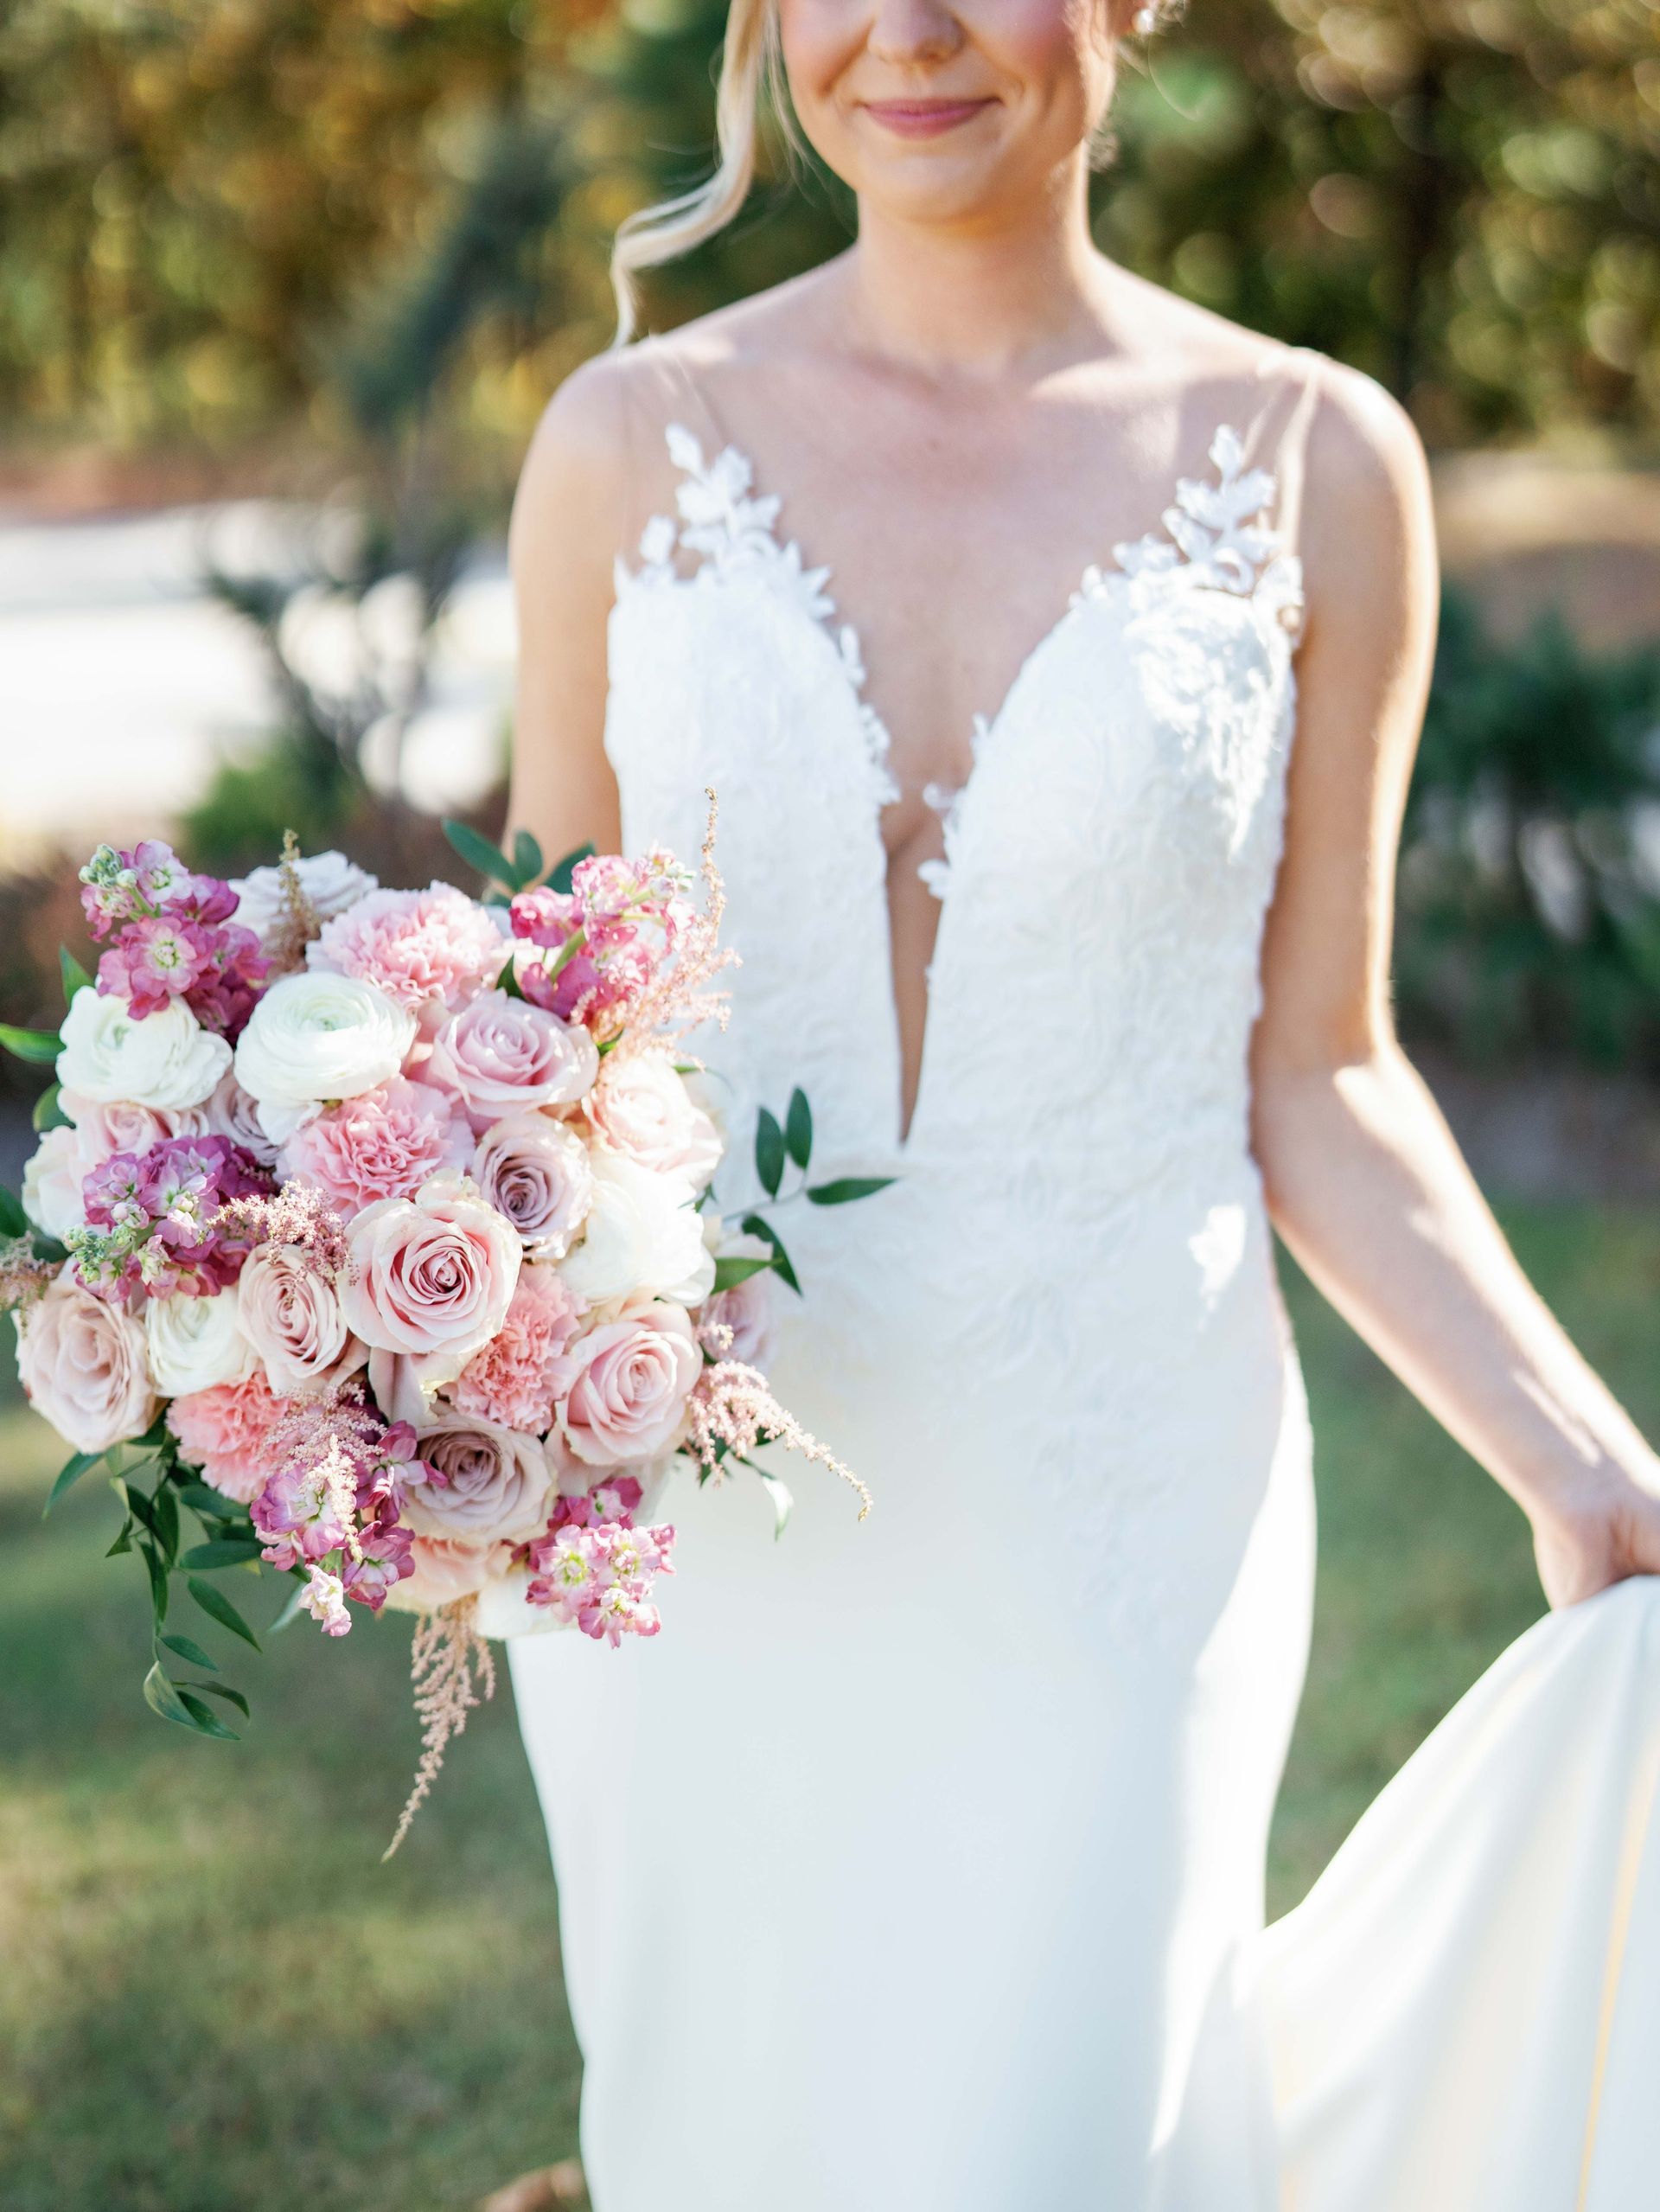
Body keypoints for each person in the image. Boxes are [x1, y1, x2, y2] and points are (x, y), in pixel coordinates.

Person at [503, 1, 1660, 2203]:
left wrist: (1579, 1453)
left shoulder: (1319, 461)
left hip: (1119, 1506)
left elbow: (1322, 1065)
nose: (913, 33)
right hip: (692, 1542)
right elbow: (556, 1035)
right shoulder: (618, 445)